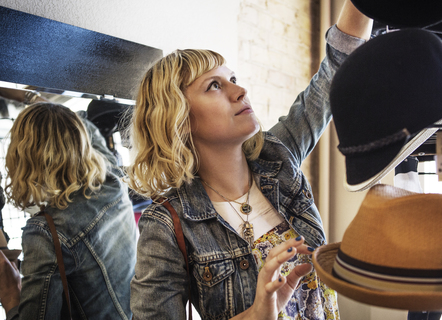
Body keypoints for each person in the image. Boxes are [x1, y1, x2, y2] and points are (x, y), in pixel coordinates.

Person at [127, 1, 372, 319]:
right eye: (215, 86)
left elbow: (337, 66)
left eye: (233, 78)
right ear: (179, 119)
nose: (240, 90)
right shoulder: (166, 226)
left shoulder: (278, 156)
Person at [0, 102, 137, 319]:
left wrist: (10, 296)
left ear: (22, 158)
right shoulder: (112, 182)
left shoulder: (46, 233)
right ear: (80, 140)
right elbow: (86, 127)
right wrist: (50, 112)